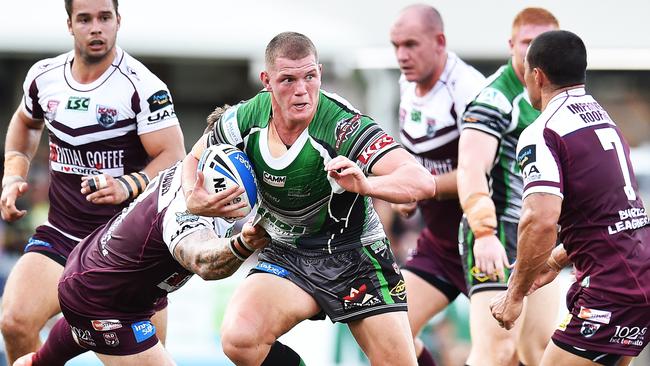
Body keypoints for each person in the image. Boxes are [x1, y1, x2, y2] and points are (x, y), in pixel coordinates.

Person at [181, 31, 437, 366]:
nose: (301, 90)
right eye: (287, 79)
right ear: (267, 81)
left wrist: (366, 185)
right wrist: (193, 198)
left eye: (310, 77)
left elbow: (422, 182)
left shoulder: (342, 126)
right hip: (287, 253)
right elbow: (194, 158)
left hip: (353, 256)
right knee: (239, 339)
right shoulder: (244, 118)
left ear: (320, 73)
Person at [0, 0, 186, 363]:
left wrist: (128, 184)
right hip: (63, 234)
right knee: (14, 321)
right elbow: (25, 122)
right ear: (70, 25)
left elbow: (174, 156)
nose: (96, 28)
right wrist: (12, 174)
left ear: (119, 21)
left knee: (151, 356)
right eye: (84, 19)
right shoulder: (44, 77)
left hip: (125, 250)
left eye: (104, 18)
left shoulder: (143, 86)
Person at [12, 144, 270, 365]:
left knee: (88, 330)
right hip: (102, 300)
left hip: (118, 281)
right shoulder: (184, 218)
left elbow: (218, 125)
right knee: (97, 326)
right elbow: (204, 263)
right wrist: (244, 244)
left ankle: (40, 361)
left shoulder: (196, 166)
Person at [490, 29, 650, 366]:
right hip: (637, 274)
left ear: (537, 75)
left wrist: (514, 296)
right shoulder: (604, 120)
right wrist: (556, 260)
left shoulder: (543, 131)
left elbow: (540, 220)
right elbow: (612, 214)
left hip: (611, 289)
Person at [456, 7, 561, 366]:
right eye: (527, 43)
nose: (533, 52)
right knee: (496, 352)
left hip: (539, 236)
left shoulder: (555, 96)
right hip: (497, 233)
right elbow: (470, 168)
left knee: (540, 350)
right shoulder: (495, 98)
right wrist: (484, 232)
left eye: (542, 44)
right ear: (511, 44)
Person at [388, 4, 485, 366]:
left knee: (508, 355)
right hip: (442, 245)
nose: (402, 55)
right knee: (390, 333)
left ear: (440, 42)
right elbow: (413, 157)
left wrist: (419, 186)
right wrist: (404, 185)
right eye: (396, 45)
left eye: (411, 44)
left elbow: (483, 176)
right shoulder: (406, 82)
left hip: (487, 244)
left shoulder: (470, 89)